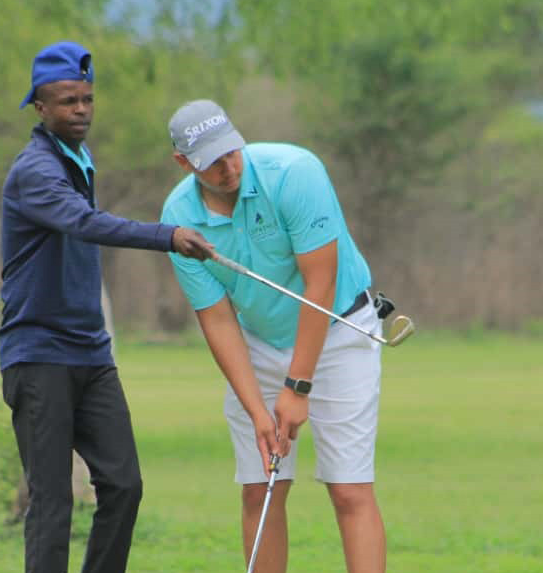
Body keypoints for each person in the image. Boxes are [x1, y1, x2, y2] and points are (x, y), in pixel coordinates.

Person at [0, 41, 213, 573]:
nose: (81, 110)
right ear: (40, 108)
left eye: (88, 99)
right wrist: (169, 236)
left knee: (123, 486)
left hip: (91, 356)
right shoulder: (35, 171)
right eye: (68, 100)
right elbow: (84, 223)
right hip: (39, 355)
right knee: (52, 502)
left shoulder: (78, 160)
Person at [160, 100, 388, 573]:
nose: (228, 168)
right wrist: (257, 410)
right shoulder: (179, 217)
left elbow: (319, 283)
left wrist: (297, 387)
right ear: (184, 163)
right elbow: (218, 319)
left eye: (232, 152)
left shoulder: (294, 172)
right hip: (259, 341)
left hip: (340, 329)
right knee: (261, 488)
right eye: (211, 162)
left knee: (348, 489)